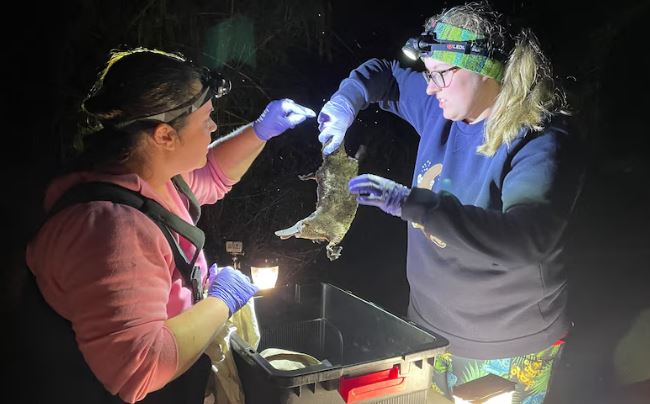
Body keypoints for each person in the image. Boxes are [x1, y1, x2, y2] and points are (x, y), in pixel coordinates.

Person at [317, 2, 584, 402]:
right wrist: (345, 102)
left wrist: (414, 204)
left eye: (440, 75)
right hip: (429, 331)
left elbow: (527, 237)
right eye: (427, 74)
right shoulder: (440, 109)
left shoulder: (540, 140)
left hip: (508, 344)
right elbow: (385, 75)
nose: (428, 88)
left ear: (486, 71)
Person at [22, 47, 316, 403]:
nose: (214, 126)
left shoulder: (147, 174)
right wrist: (222, 300)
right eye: (206, 118)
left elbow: (213, 175)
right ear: (164, 136)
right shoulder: (112, 232)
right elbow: (140, 368)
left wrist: (260, 132)